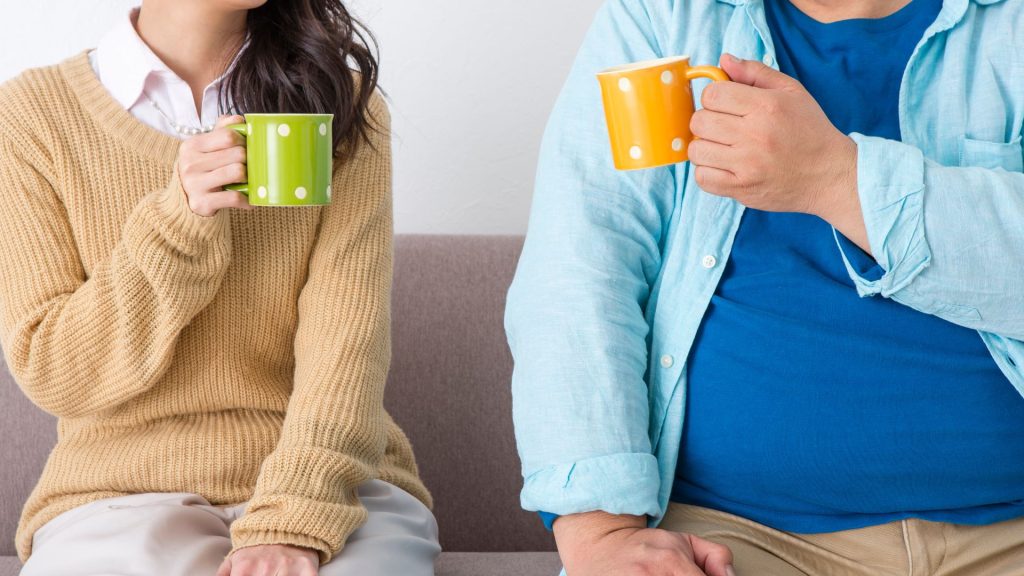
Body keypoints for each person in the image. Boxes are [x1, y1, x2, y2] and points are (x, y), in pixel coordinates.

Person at [506, 0, 1024, 573]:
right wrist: (600, 532)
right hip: (730, 534)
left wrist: (837, 178)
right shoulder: (665, 16)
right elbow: (580, 264)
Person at [0, 1, 440, 575]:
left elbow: (347, 349)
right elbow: (55, 371)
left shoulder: (341, 103)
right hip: (114, 494)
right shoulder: (31, 116)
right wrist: (179, 221)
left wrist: (293, 521)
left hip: (331, 485)